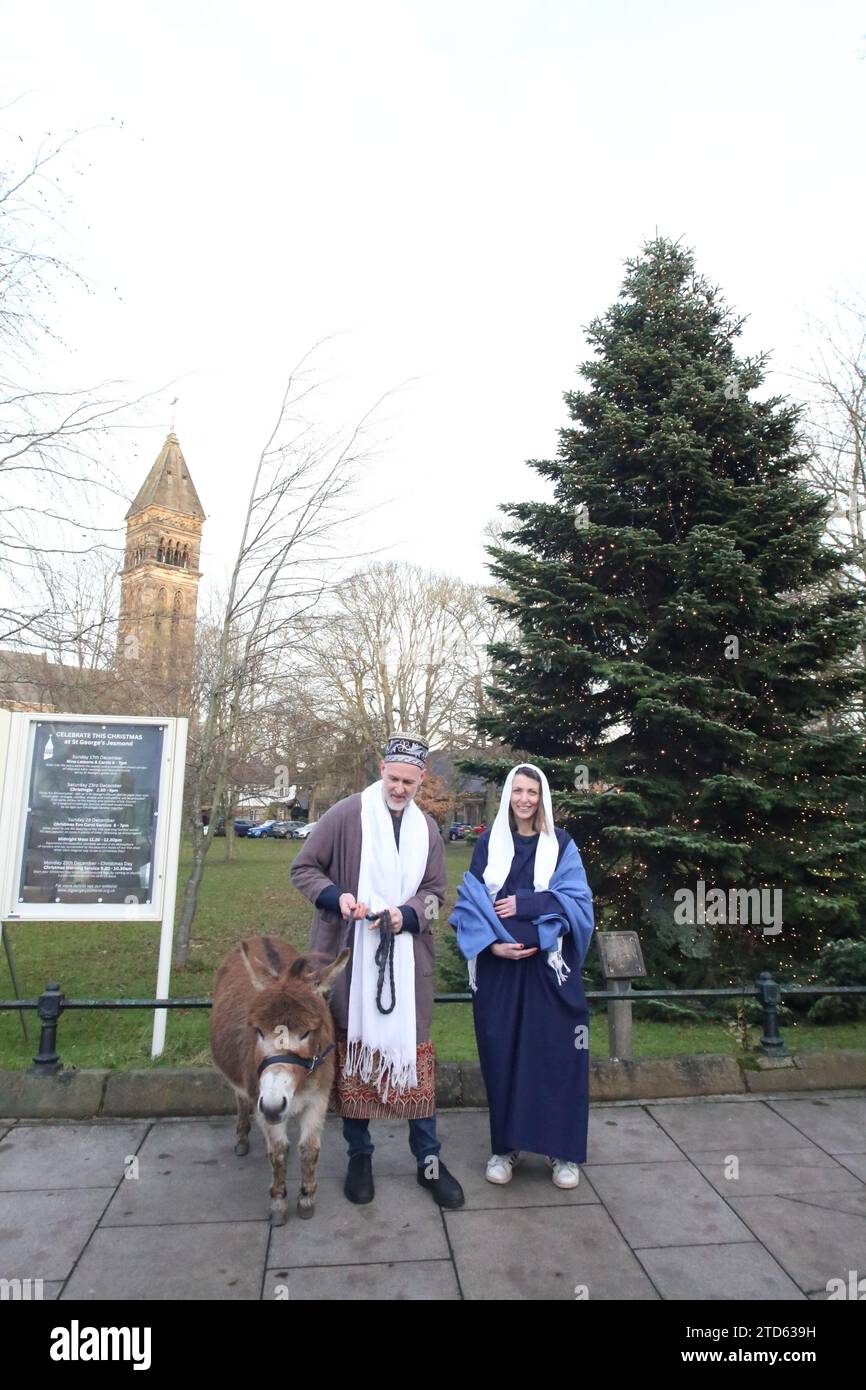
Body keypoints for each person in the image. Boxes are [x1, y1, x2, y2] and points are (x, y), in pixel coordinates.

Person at [290, 732, 465, 1210]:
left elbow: (435, 894)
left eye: (410, 782)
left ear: (421, 780)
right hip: (349, 965)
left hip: (407, 970)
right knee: (354, 1058)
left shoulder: (426, 829)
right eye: (394, 778)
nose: (400, 789)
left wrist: (406, 915)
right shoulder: (347, 814)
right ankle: (360, 1157)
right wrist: (337, 897)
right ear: (382, 770)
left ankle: (428, 1160)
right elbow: (304, 868)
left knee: (416, 1061)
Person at [450, 764, 594, 1187]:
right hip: (499, 971)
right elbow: (468, 906)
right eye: (518, 791)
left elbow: (579, 903)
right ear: (508, 796)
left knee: (558, 1054)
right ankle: (505, 1148)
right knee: (505, 1055)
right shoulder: (488, 844)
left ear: (542, 797)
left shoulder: (562, 845)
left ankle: (561, 1151)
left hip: (550, 971)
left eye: (532, 791)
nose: (525, 799)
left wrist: (528, 905)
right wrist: (492, 946)